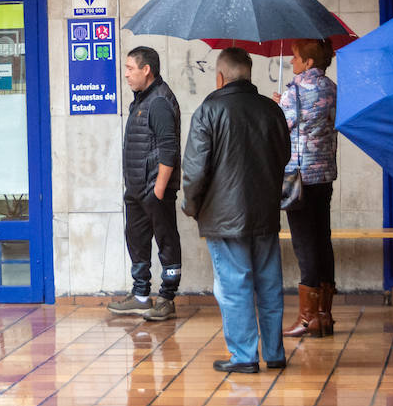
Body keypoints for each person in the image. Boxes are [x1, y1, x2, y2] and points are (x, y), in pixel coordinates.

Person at [181, 47, 291, 373]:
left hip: (223, 216)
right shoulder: (272, 110)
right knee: (269, 283)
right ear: (250, 73)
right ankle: (273, 352)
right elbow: (284, 157)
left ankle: (244, 355)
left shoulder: (209, 111)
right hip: (266, 213)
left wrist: (191, 205)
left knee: (234, 284)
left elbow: (194, 170)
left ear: (219, 77)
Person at [108, 46, 183, 321]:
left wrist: (159, 190)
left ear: (146, 70)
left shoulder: (160, 100)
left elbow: (168, 148)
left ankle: (166, 297)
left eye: (130, 68)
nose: (126, 74)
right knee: (136, 239)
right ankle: (140, 295)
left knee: (166, 240)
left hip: (155, 189)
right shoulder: (142, 99)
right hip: (137, 189)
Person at [275, 39, 338, 338]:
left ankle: (306, 318)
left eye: (296, 57)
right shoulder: (331, 88)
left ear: (309, 62)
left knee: (304, 245)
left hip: (299, 178)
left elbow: (280, 128)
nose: (291, 62)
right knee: (322, 239)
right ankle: (324, 314)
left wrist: (278, 106)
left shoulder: (295, 92)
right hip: (324, 176)